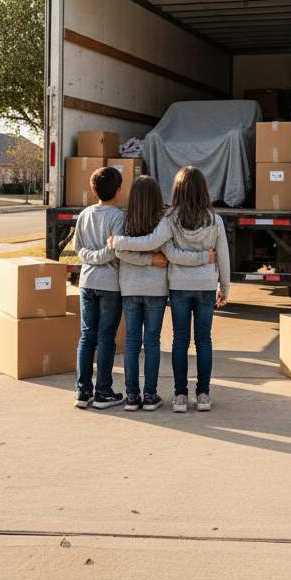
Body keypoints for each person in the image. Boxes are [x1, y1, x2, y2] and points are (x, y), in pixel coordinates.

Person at [108, 166, 229, 413]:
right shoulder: (215, 220)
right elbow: (223, 257)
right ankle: (203, 395)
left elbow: (163, 250)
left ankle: (180, 396)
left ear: (177, 190)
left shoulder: (171, 219)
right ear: (204, 190)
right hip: (206, 285)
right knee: (204, 340)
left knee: (180, 340)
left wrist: (119, 241)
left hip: (179, 286)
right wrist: (223, 285)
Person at [107, 175, 174, 412]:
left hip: (130, 288)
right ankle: (150, 395)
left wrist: (137, 254)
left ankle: (132, 396)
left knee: (133, 342)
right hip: (155, 289)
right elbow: (122, 249)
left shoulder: (124, 220)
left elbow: (121, 251)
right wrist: (151, 259)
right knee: (152, 342)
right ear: (157, 196)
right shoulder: (164, 220)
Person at [71, 165, 125, 410]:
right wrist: (99, 256)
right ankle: (103, 391)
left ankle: (82, 392)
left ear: (94, 191)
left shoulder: (84, 214)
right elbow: (116, 250)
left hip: (86, 282)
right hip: (110, 284)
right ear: (119, 191)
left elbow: (77, 246)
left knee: (87, 337)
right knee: (105, 339)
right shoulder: (118, 217)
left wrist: (89, 258)